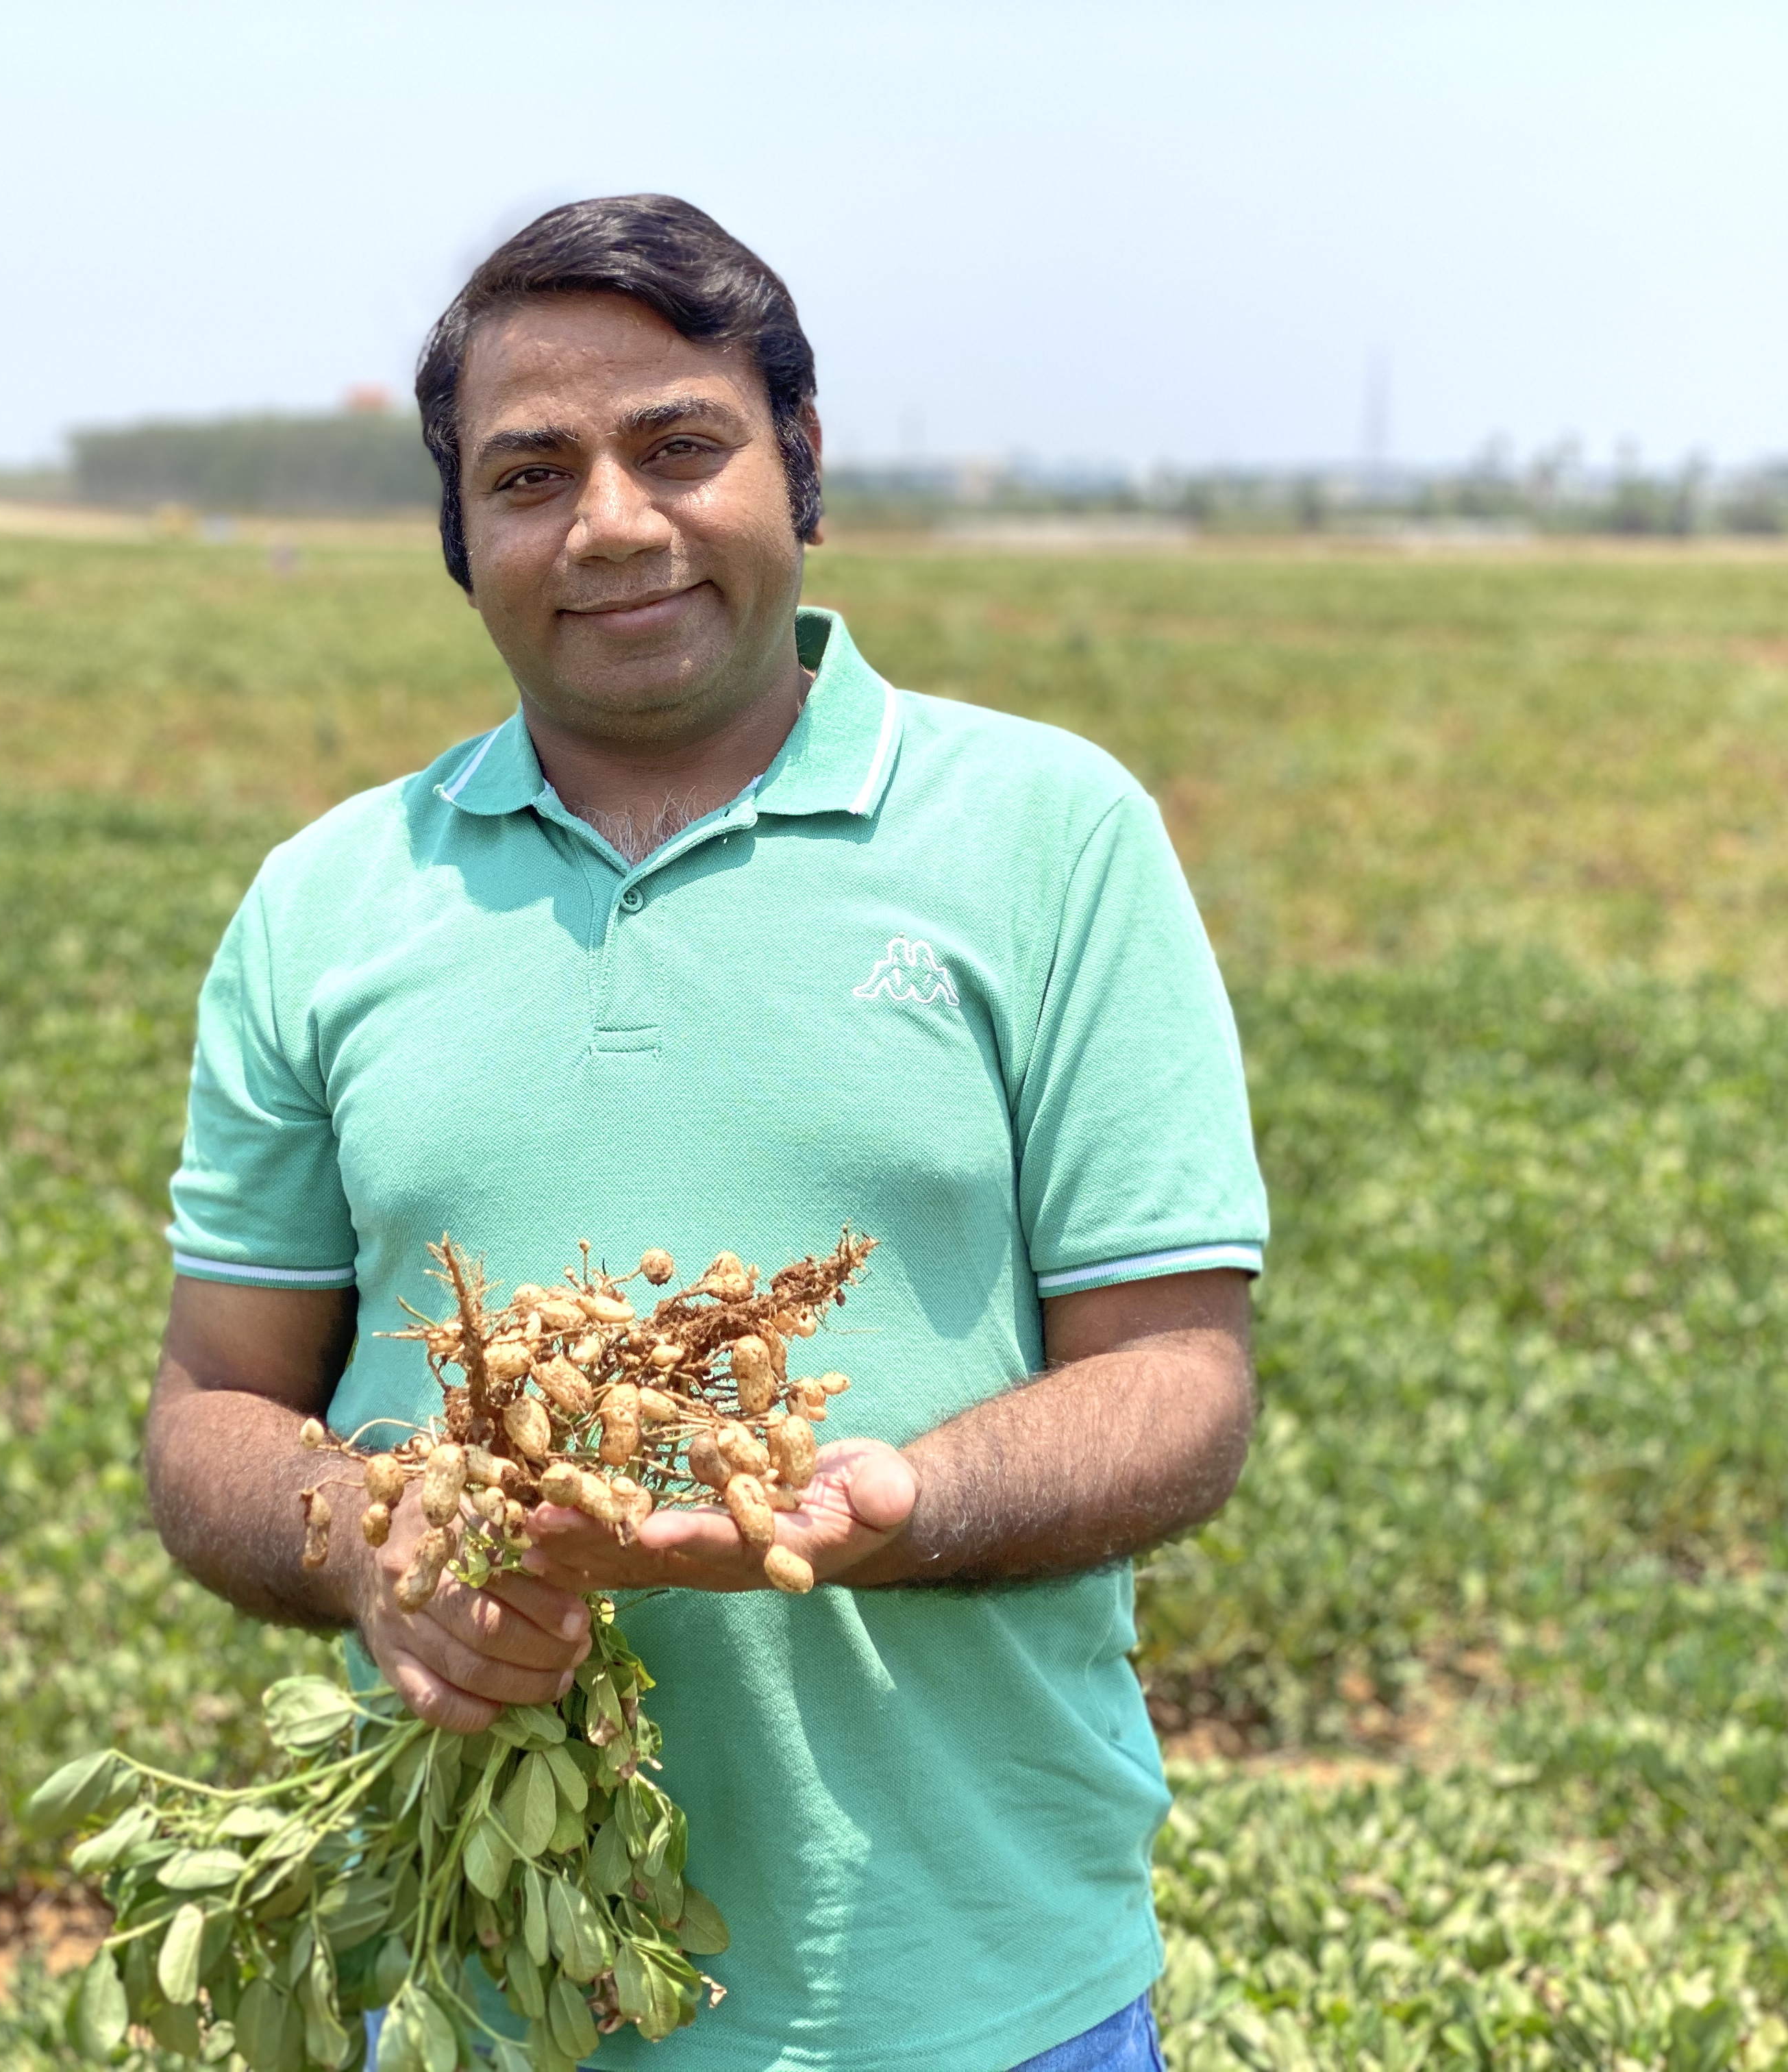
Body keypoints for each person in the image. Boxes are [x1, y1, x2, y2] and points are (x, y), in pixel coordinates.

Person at [147, 195, 1266, 2072]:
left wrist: (912, 1506)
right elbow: (211, 1406)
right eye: (529, 475)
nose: (611, 525)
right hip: (477, 1999)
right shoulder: (329, 903)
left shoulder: (1051, 838)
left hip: (979, 2006)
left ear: (799, 466)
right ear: (462, 540)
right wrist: (369, 1540)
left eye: (680, 446)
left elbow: (1177, 1380)